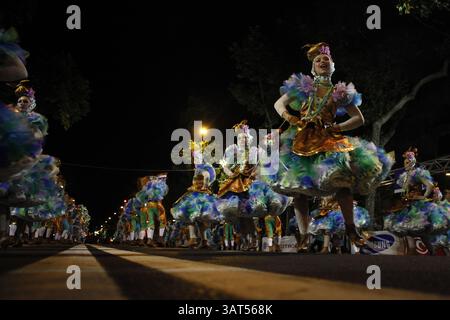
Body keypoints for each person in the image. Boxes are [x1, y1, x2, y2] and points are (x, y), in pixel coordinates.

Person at [268, 42, 393, 248]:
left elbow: (358, 119)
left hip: (328, 138)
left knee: (342, 182)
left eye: (326, 59)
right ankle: (304, 236)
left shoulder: (339, 91)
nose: (322, 62)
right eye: (318, 60)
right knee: (298, 189)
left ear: (332, 65)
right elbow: (278, 104)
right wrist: (290, 117)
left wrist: (337, 127)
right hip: (301, 138)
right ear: (312, 67)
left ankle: (351, 230)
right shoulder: (303, 86)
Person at [384, 148, 448, 247]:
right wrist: (404, 193)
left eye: (409, 162)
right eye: (405, 162)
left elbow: (430, 186)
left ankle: (429, 248)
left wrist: (422, 196)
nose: (407, 164)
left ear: (414, 162)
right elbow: (403, 190)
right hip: (406, 205)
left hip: (418, 205)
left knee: (421, 228)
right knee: (404, 230)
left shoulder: (418, 173)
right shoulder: (403, 176)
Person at [171, 163, 222, 249]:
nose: (198, 181)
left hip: (201, 198)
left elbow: (205, 182)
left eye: (201, 179)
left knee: (200, 221)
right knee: (193, 219)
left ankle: (200, 240)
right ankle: (197, 239)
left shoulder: (205, 173)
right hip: (196, 197)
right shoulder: (200, 172)